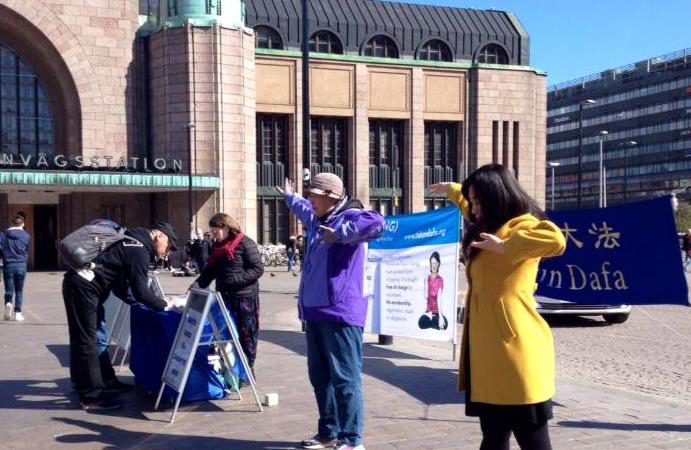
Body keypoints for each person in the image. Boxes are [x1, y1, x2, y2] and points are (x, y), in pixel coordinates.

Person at [430, 164, 566, 450]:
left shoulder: (521, 225)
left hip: (515, 350)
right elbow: (467, 206)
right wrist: (453, 190)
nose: (474, 207)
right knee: (493, 437)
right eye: (473, 200)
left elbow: (556, 239)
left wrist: (506, 246)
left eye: (480, 200)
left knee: (533, 440)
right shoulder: (485, 224)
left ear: (497, 197)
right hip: (485, 354)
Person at [276, 173, 384, 450]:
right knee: (320, 377)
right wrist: (291, 198)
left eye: (313, 195)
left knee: (345, 378)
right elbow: (303, 209)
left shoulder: (350, 216)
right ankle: (328, 433)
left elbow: (376, 223)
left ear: (331, 197)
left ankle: (351, 439)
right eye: (309, 195)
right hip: (314, 311)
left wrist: (340, 235)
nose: (310, 200)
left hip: (340, 312)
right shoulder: (317, 219)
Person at [62, 221, 177, 411]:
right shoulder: (138, 249)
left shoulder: (130, 242)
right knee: (87, 341)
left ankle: (105, 381)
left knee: (91, 337)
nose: (168, 251)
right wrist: (164, 305)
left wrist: (139, 303)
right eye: (169, 246)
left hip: (82, 286)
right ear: (159, 236)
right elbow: (141, 290)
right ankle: (91, 397)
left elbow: (120, 286)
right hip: (84, 288)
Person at [192, 213, 264, 377]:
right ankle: (230, 369)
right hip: (224, 296)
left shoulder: (245, 243)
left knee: (247, 333)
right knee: (226, 333)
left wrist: (237, 279)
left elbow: (258, 268)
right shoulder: (216, 246)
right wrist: (197, 285)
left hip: (245, 297)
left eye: (216, 231)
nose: (214, 235)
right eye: (212, 232)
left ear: (226, 227)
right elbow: (210, 271)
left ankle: (247, 368)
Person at [1, 215, 31, 321]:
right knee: (19, 290)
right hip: (21, 265)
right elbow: (27, 250)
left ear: (12, 223)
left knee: (9, 289)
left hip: (8, 265)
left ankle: (8, 303)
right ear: (22, 223)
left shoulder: (3, 234)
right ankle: (18, 313)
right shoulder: (26, 236)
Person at [418, 251, 448, 330]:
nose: (433, 265)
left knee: (445, 324)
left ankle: (434, 321)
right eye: (432, 263)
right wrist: (426, 282)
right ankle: (432, 321)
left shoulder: (440, 279)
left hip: (436, 312)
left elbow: (439, 298)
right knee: (421, 323)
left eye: (435, 263)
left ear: (438, 264)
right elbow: (426, 296)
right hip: (428, 312)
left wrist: (441, 316)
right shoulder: (427, 278)